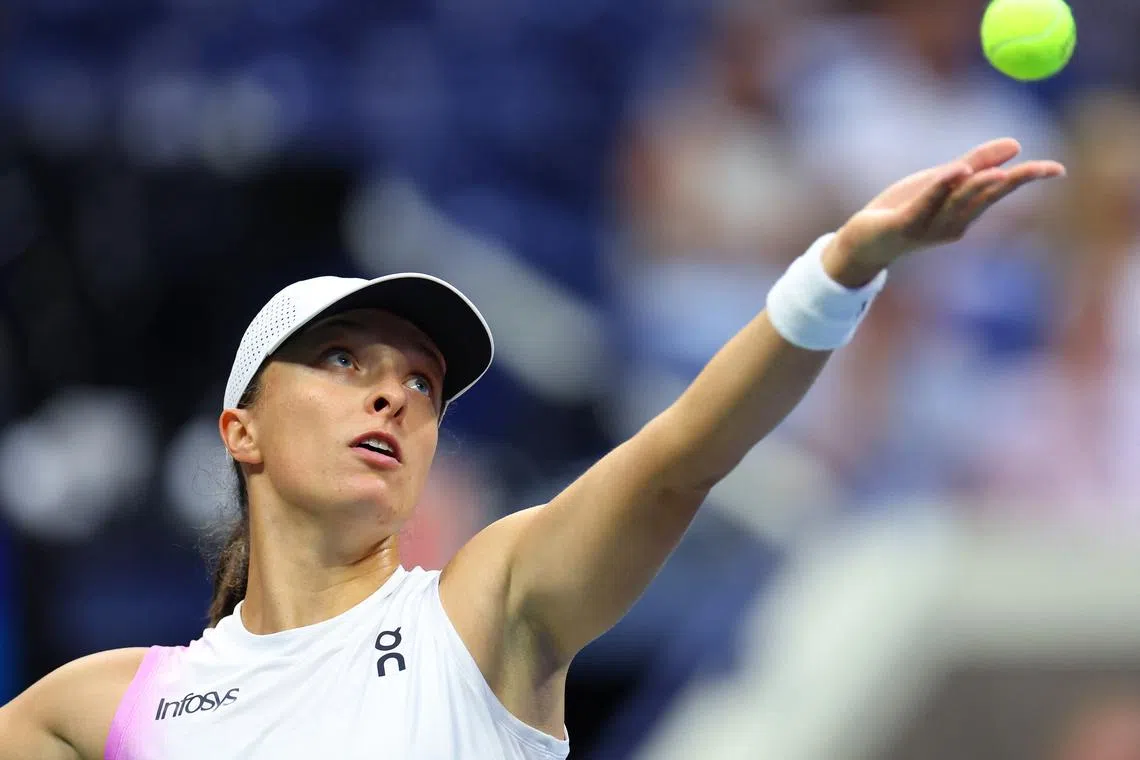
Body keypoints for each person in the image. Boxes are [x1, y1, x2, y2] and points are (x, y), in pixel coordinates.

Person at [0, 138, 1063, 759]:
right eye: (342, 362)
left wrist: (837, 270)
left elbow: (683, 455)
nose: (395, 395)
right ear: (242, 431)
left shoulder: (487, 605)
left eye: (421, 381)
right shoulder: (98, 706)